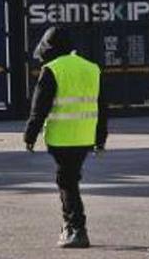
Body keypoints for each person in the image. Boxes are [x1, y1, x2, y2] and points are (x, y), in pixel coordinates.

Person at [23, 26, 108, 249]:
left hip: (62, 137)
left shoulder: (51, 69)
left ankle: (76, 229)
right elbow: (102, 107)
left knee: (67, 181)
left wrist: (30, 135)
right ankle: (71, 226)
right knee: (69, 179)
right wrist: (101, 139)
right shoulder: (92, 68)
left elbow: (39, 107)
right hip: (85, 136)